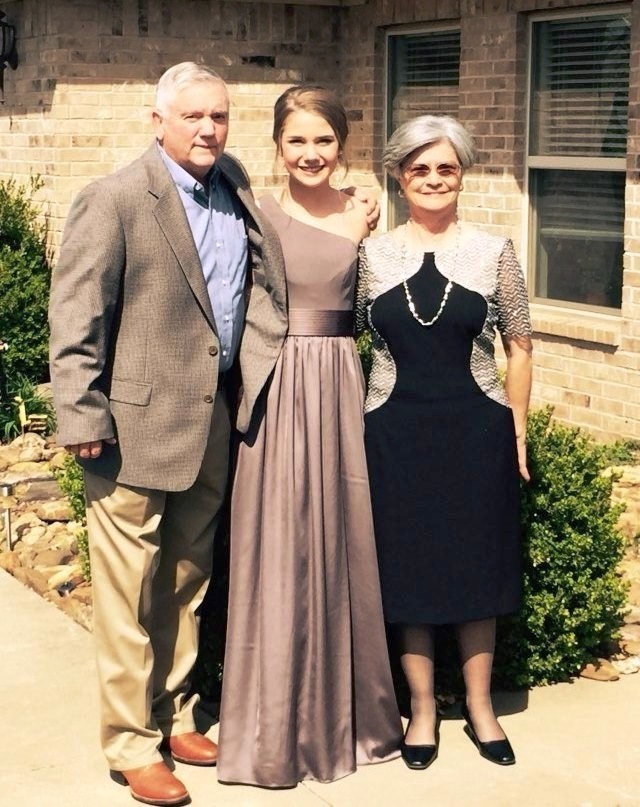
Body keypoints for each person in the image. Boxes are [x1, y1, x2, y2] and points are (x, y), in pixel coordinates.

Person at [48, 62, 289, 807]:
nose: (209, 129)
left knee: (186, 578)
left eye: (219, 115)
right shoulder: (115, 199)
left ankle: (174, 714)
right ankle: (131, 744)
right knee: (128, 593)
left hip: (211, 416)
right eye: (193, 116)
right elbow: (77, 314)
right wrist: (81, 413)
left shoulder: (234, 183)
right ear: (158, 122)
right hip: (129, 428)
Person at [216, 85, 403, 788]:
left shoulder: (364, 211)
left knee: (339, 536)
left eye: (323, 139)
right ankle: (270, 725)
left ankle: (342, 719)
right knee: (274, 542)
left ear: (343, 144)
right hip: (275, 384)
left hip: (339, 384)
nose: (311, 152)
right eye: (296, 139)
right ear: (277, 145)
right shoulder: (255, 212)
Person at [357, 115, 533, 770]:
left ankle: (482, 707)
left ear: (462, 175)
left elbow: (520, 346)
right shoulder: (369, 256)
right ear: (400, 178)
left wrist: (517, 429)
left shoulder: (495, 251)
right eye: (419, 169)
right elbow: (338, 336)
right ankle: (423, 709)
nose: (433, 179)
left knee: (477, 567)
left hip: (475, 431)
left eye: (446, 168)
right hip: (393, 432)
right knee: (408, 568)